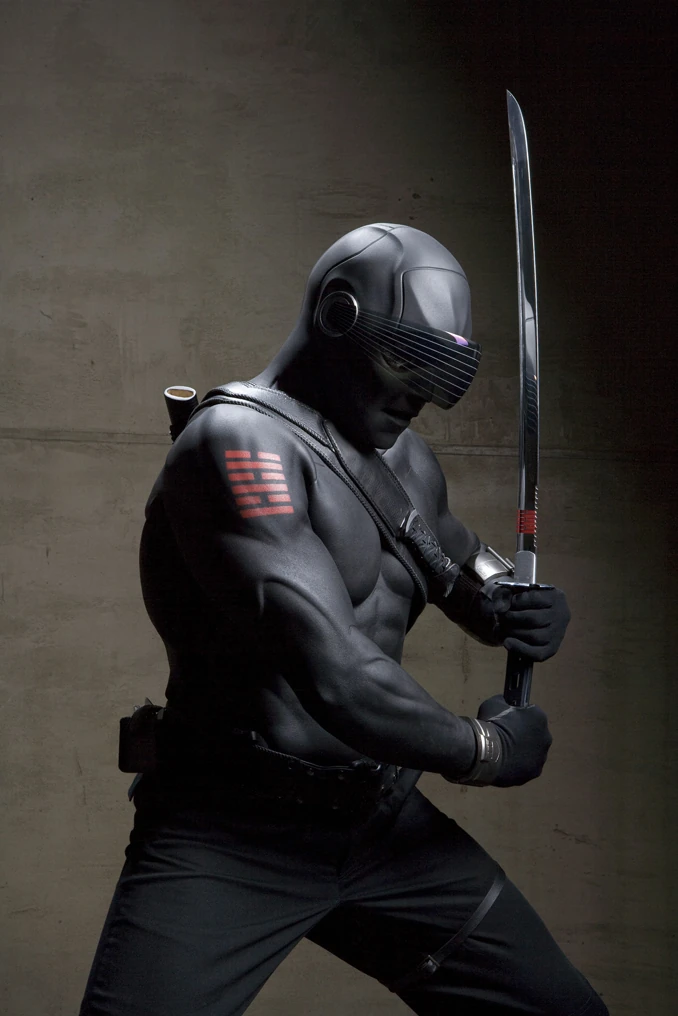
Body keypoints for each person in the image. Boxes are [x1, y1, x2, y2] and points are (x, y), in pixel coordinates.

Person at [80, 223, 608, 1015]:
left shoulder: (404, 460)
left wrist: (514, 603)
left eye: (437, 374)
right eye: (404, 362)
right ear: (336, 315)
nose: (417, 397)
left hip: (379, 824)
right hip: (232, 833)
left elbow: (459, 561)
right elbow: (340, 677)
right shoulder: (238, 449)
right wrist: (488, 749)